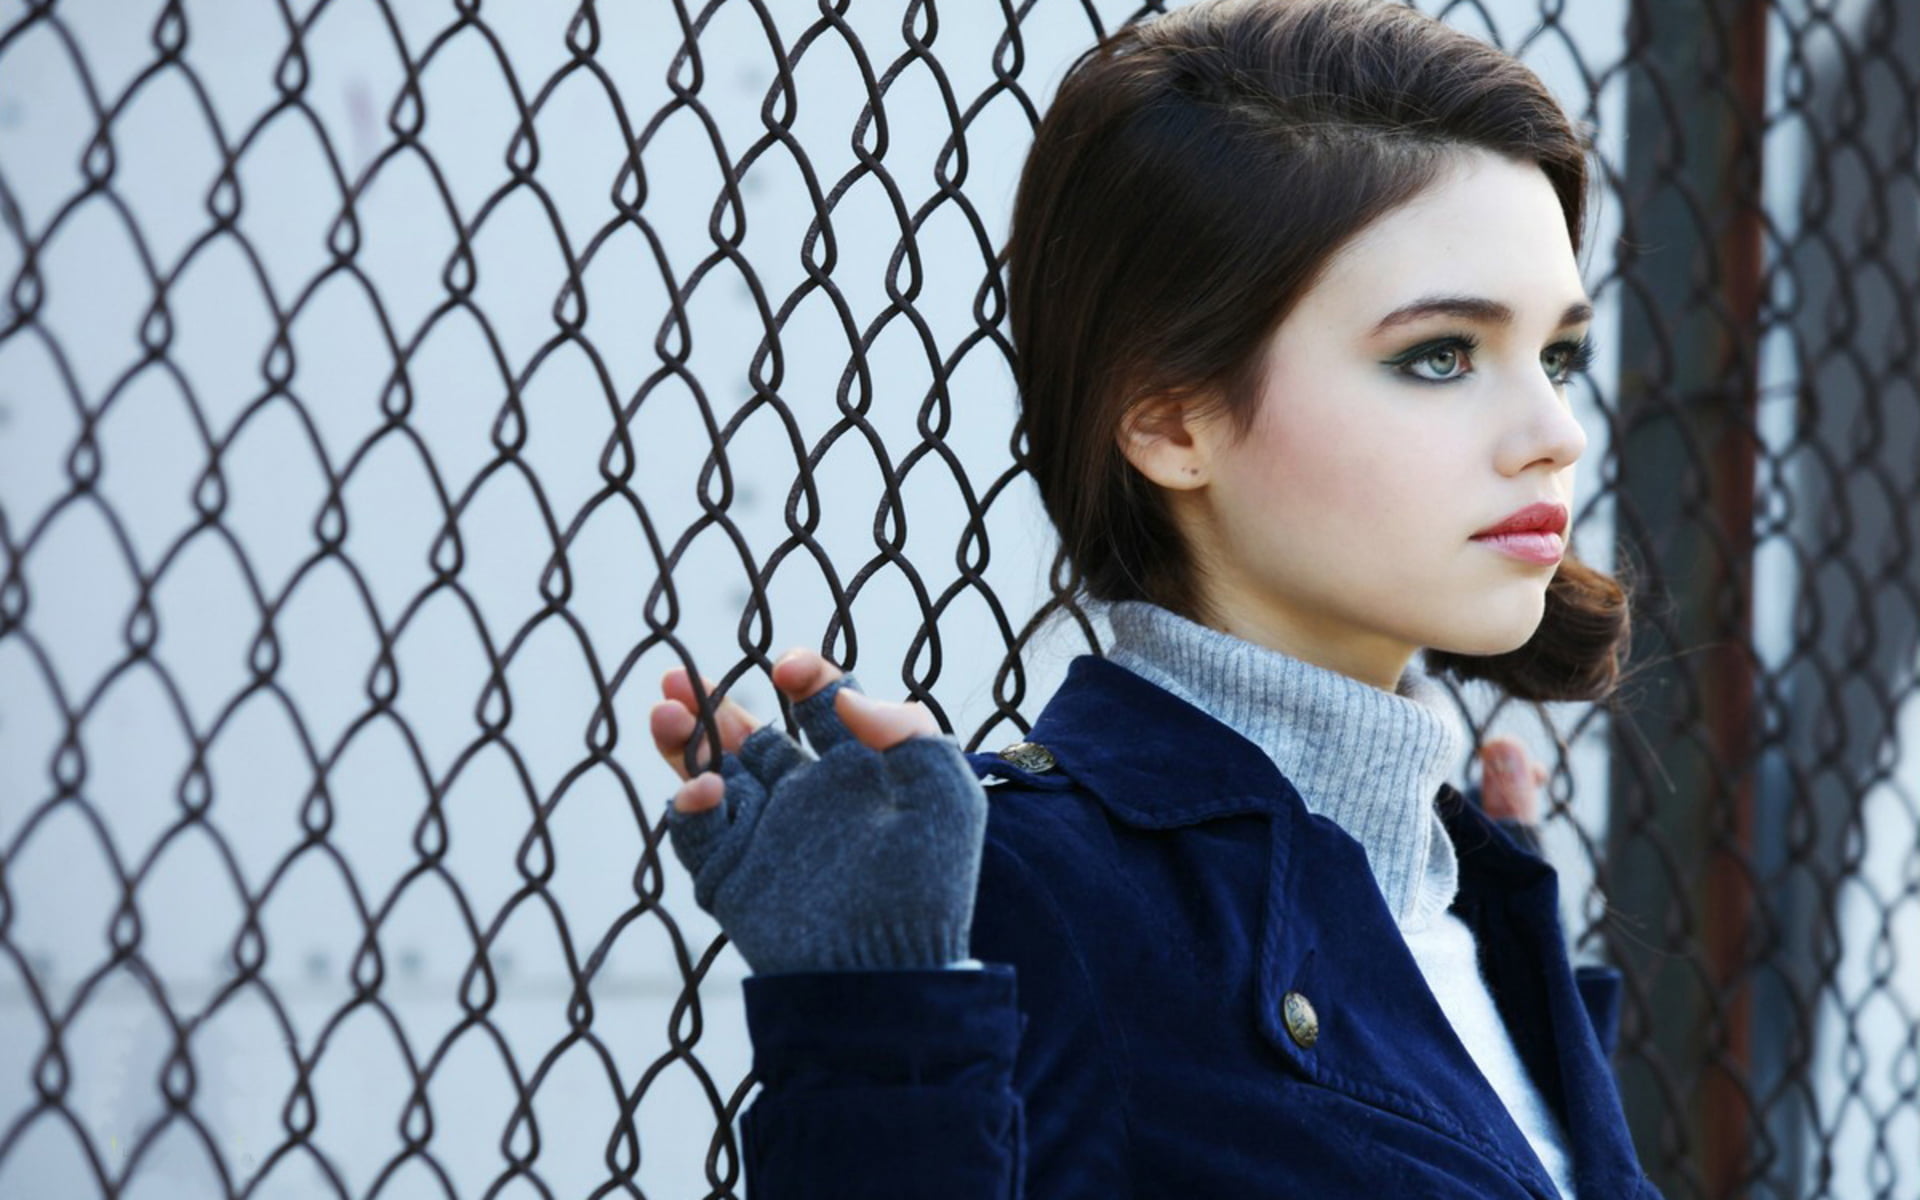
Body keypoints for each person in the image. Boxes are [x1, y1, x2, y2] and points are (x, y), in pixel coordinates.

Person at [648, 0, 1657, 1194]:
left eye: (1559, 356)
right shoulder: (1048, 892)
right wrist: (885, 1020)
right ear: (1171, 421)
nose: (1557, 434)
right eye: (1438, 355)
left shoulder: (1467, 885)